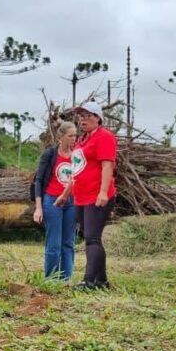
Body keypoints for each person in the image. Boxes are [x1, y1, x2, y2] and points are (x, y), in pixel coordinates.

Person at [72, 101, 117, 290]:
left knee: (92, 238)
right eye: (81, 116)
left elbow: (107, 165)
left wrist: (103, 192)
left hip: (96, 195)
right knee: (90, 236)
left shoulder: (104, 137)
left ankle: (89, 280)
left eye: (88, 115)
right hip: (82, 195)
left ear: (98, 118)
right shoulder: (82, 140)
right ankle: (102, 280)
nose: (83, 119)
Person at [33, 122, 77, 280]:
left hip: (72, 202)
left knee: (68, 242)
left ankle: (66, 279)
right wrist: (38, 208)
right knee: (54, 244)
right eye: (70, 135)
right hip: (52, 201)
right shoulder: (50, 154)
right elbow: (38, 181)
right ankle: (51, 279)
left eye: (75, 135)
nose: (74, 138)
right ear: (61, 137)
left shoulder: (78, 155)